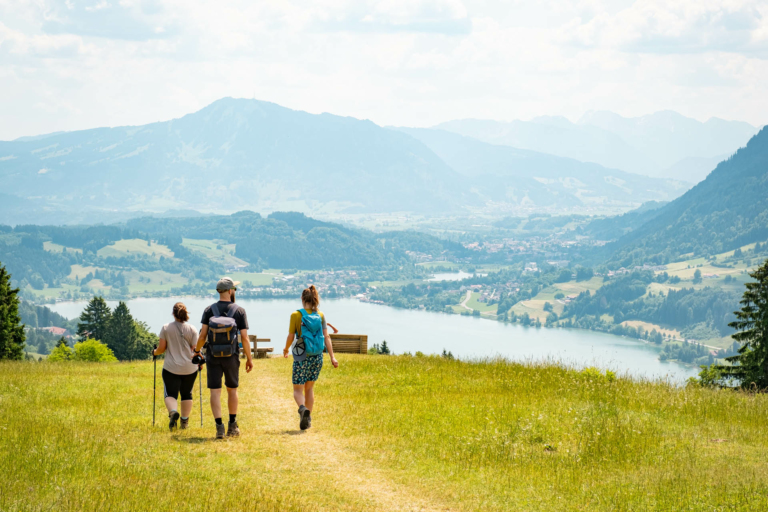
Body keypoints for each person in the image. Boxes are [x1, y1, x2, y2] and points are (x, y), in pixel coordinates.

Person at [194, 277, 253, 439]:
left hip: (213, 356)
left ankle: (219, 427)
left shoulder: (209, 310)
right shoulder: (239, 311)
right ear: (230, 291)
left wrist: (197, 351)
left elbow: (202, 336)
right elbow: (245, 338)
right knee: (232, 390)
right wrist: (249, 358)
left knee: (215, 391)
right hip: (231, 356)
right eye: (234, 288)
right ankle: (232, 426)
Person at [283, 285, 338, 431]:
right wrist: (332, 357)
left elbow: (290, 336)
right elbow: (327, 337)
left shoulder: (296, 315)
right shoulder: (320, 315)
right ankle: (308, 420)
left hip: (302, 356)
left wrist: (286, 348)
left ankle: (302, 409)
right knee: (309, 389)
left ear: (302, 299)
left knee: (297, 389)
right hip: (317, 356)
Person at [152, 302, 200, 431]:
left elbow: (161, 349)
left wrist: (154, 352)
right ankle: (184, 422)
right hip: (190, 368)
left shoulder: (166, 328)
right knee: (187, 394)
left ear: (173, 314)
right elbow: (195, 350)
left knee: (171, 394)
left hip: (171, 368)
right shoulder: (192, 329)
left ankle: (173, 412)